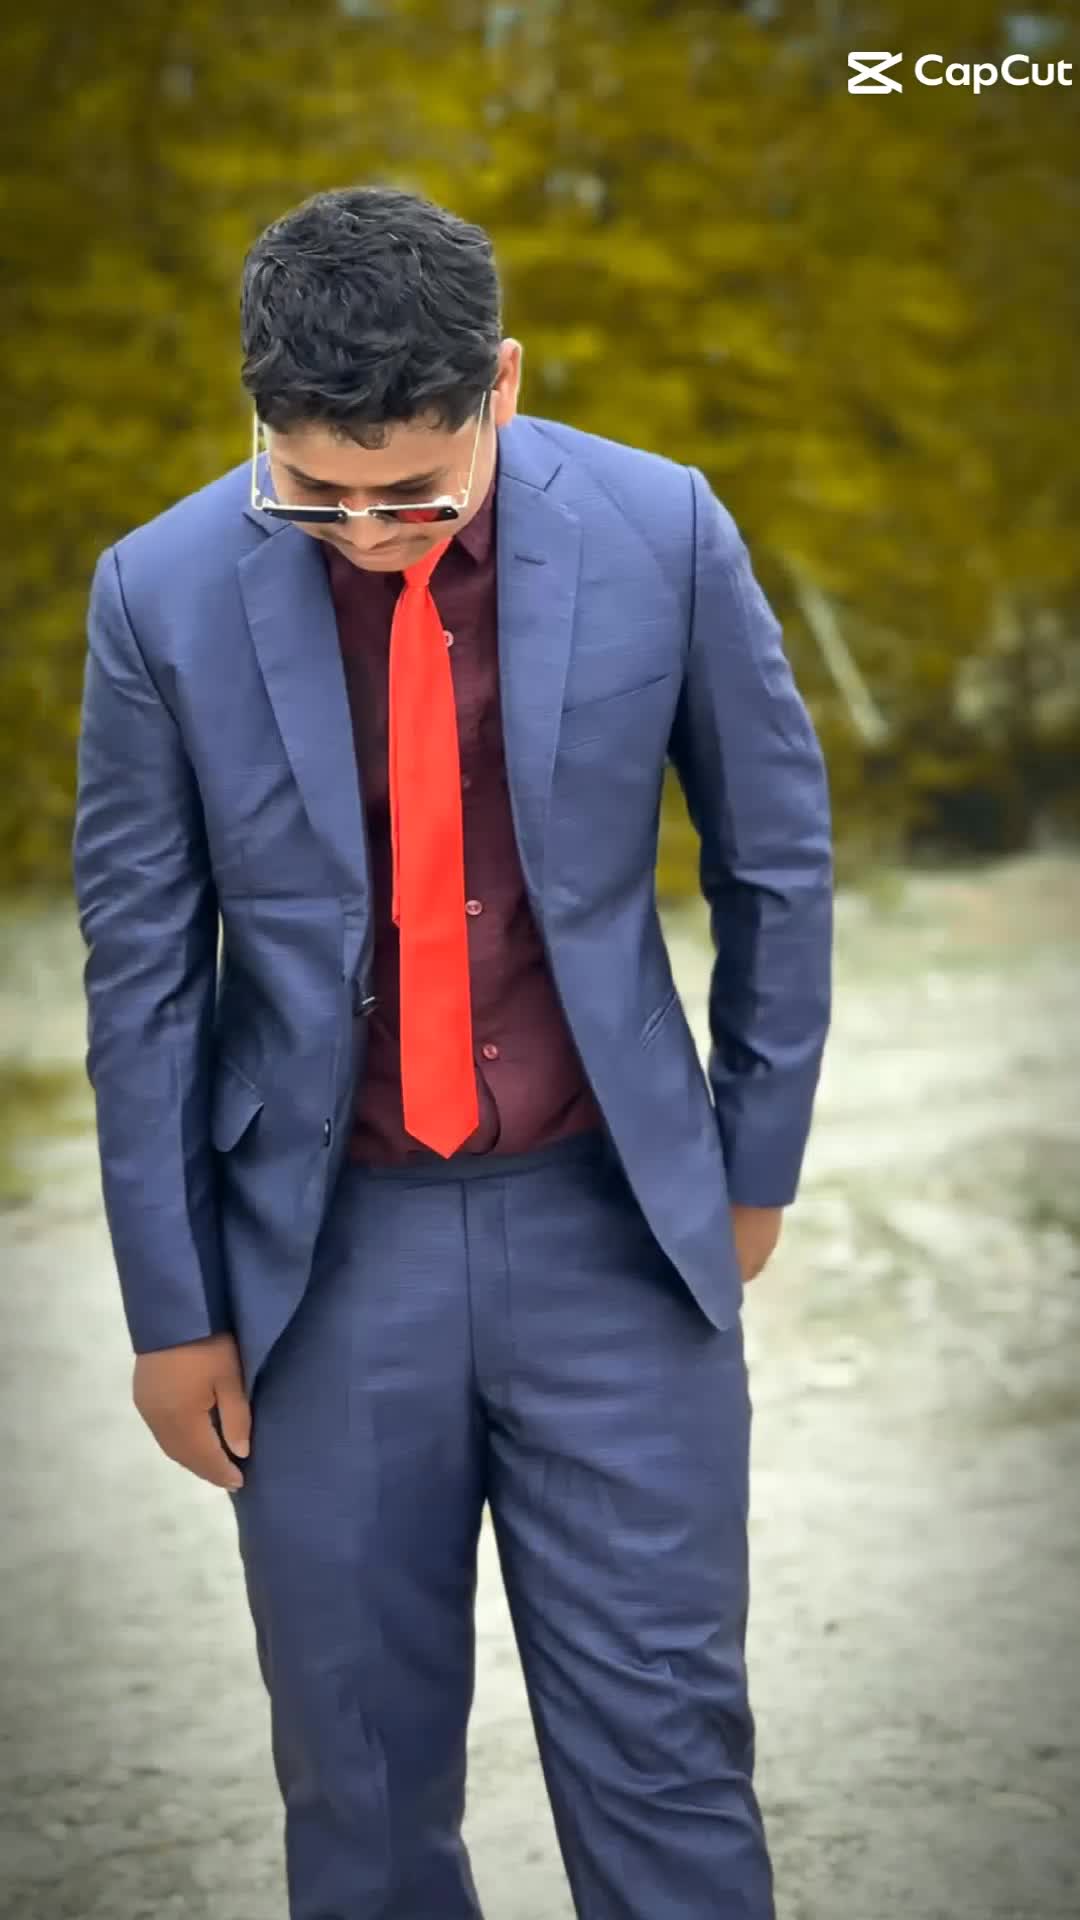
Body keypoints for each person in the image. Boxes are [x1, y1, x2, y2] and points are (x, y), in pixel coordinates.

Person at [72, 184, 832, 1920]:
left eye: (410, 491)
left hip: (614, 1237)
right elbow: (144, 977)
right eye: (310, 490)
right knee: (359, 1785)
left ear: (502, 384)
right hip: (320, 1266)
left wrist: (753, 1167)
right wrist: (172, 1309)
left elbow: (777, 861)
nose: (362, 532)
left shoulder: (663, 529)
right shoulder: (154, 593)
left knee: (668, 1753)